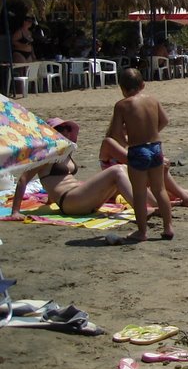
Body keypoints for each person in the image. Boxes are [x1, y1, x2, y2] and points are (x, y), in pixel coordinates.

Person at [3, 118, 153, 222]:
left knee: (125, 170)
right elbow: (23, 179)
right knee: (117, 171)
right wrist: (15, 212)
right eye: (62, 129)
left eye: (68, 129)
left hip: (79, 197)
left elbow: (52, 181)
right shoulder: (45, 156)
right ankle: (141, 210)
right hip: (70, 201)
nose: (67, 132)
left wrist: (49, 199)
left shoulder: (65, 152)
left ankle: (155, 204)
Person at [109, 68, 173, 242]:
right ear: (143, 85)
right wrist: (153, 132)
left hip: (138, 150)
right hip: (155, 147)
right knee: (159, 189)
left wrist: (128, 141)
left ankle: (142, 232)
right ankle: (168, 227)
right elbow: (165, 120)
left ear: (122, 88)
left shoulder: (122, 105)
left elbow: (115, 132)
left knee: (139, 193)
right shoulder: (152, 100)